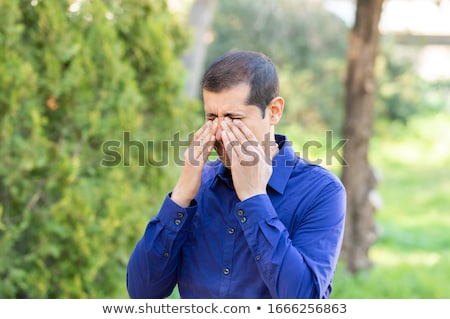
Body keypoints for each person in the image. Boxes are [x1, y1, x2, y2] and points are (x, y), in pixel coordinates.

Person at [126, 50, 346, 299]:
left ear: (274, 111)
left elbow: (305, 301)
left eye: (234, 118)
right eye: (211, 117)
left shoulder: (322, 191)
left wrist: (254, 199)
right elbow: (143, 292)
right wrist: (180, 197)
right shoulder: (199, 183)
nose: (219, 133)